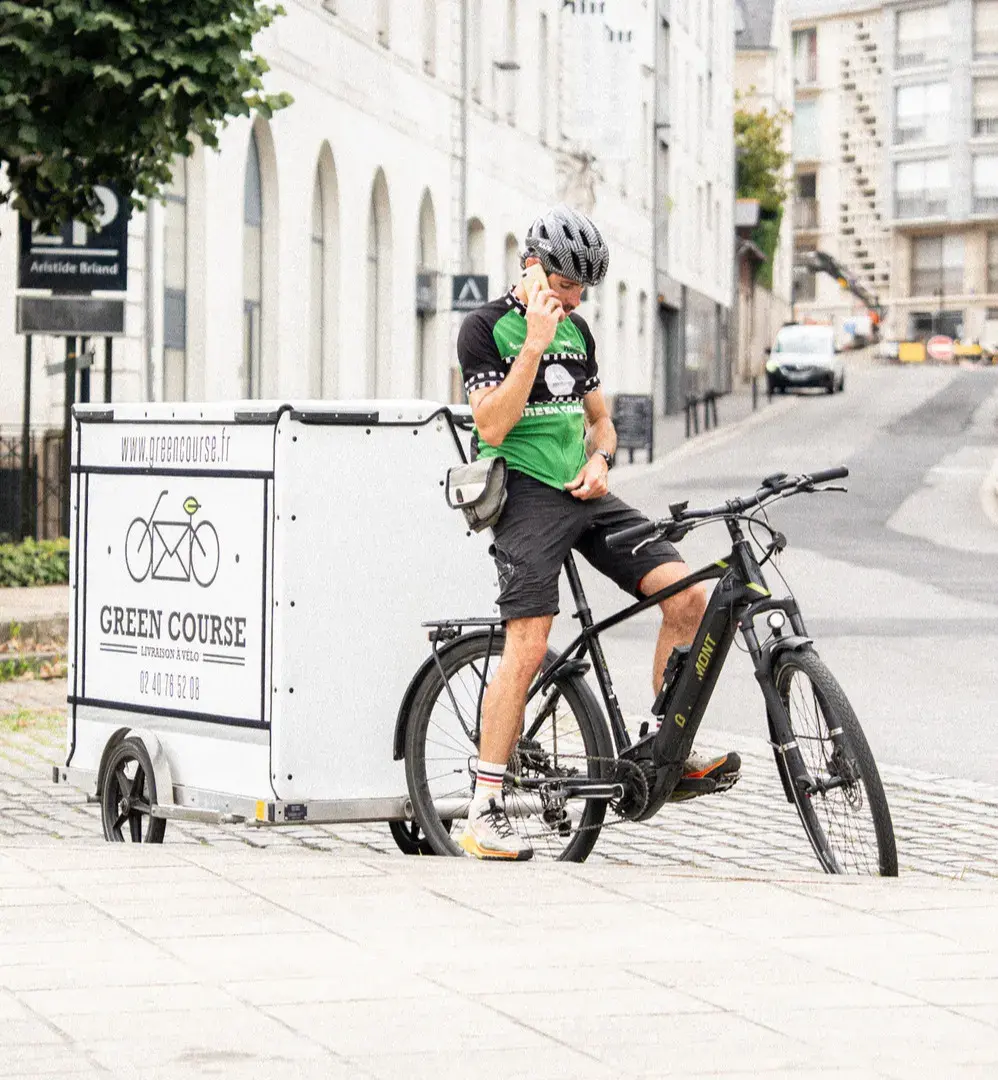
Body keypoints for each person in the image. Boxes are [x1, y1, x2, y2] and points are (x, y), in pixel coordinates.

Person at [456, 204, 740, 861]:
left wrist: (602, 460)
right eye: (565, 286)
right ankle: (485, 809)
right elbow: (491, 425)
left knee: (688, 596)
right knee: (529, 643)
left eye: (582, 290)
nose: (575, 300)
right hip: (523, 495)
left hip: (583, 492)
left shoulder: (578, 332)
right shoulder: (484, 329)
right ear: (533, 269)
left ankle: (666, 747)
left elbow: (601, 422)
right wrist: (532, 342)